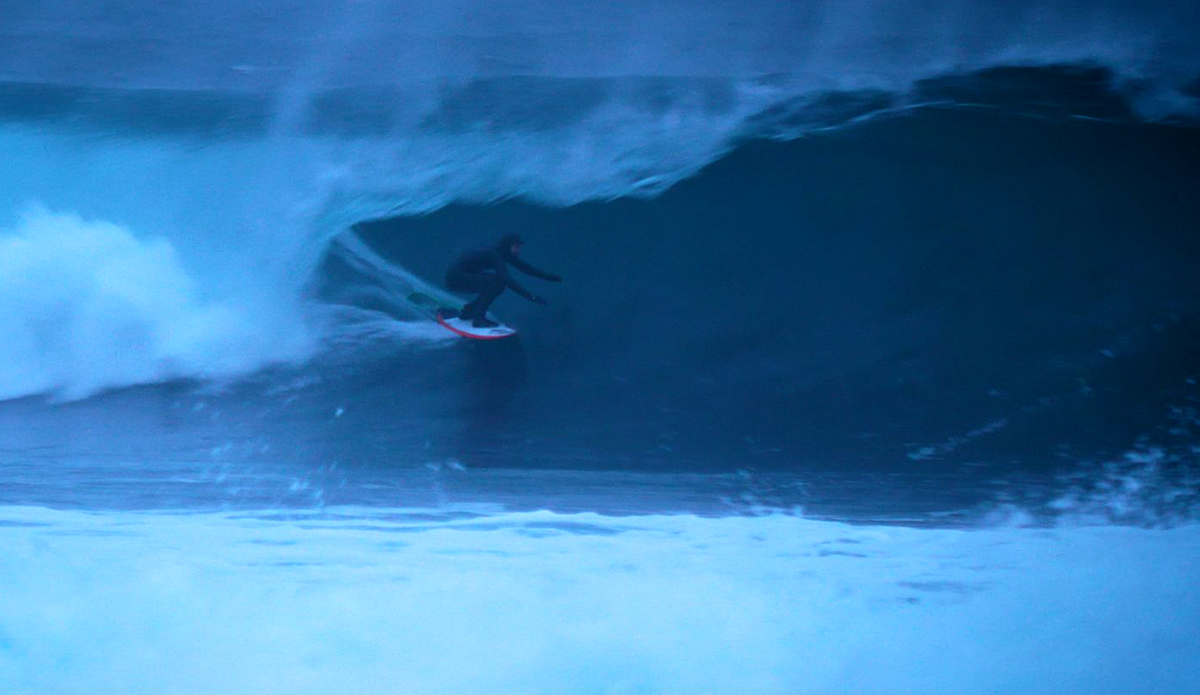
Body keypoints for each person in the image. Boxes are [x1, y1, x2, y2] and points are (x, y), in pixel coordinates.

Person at [444, 233, 562, 327]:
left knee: (496, 282)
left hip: (460, 276)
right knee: (497, 282)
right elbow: (507, 280)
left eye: (519, 247)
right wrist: (531, 297)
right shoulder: (495, 255)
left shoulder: (502, 252)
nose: (518, 250)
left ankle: (470, 311)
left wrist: (548, 277)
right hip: (455, 278)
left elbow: (525, 268)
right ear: (507, 246)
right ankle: (478, 318)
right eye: (516, 247)